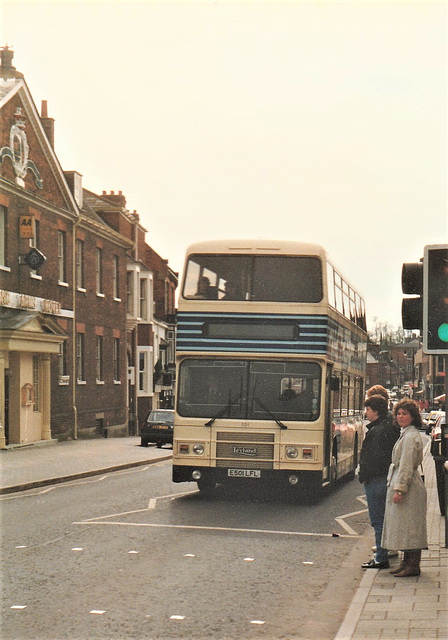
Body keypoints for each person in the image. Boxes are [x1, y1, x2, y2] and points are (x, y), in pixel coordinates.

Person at [381, 399, 428, 577]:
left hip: (410, 487)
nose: (401, 417)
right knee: (404, 525)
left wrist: (400, 489)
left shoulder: (410, 436)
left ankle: (413, 565)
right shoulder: (406, 433)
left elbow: (406, 466)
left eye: (405, 414)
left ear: (413, 416)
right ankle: (406, 562)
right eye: (398, 413)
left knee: (410, 526)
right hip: (405, 482)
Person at [359, 394, 400, 569]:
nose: (365, 413)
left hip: (376, 480)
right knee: (382, 519)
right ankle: (381, 554)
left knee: (378, 520)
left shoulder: (377, 431)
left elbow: (375, 458)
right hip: (381, 479)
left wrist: (364, 474)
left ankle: (380, 558)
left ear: (375, 411)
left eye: (367, 409)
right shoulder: (384, 427)